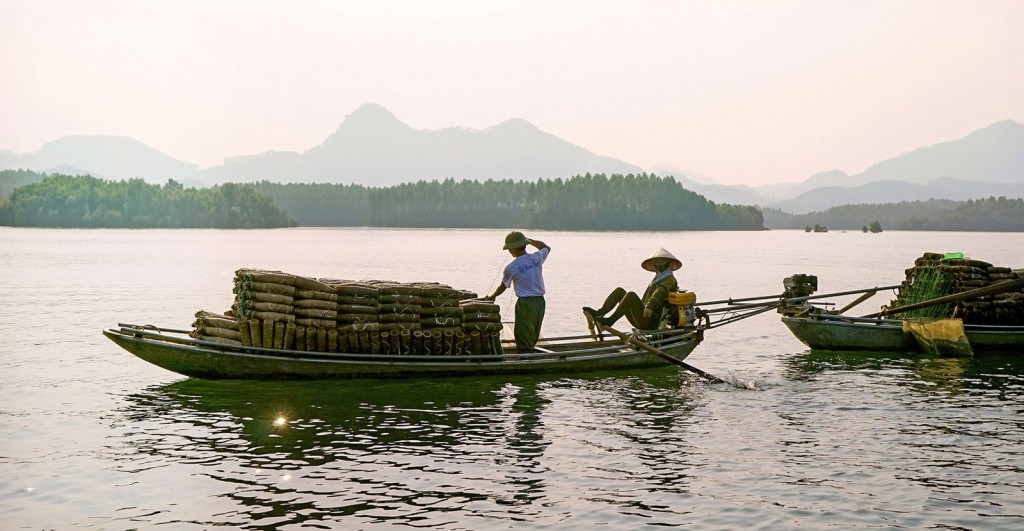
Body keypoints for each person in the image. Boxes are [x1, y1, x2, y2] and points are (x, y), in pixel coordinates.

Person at [583, 247, 682, 332]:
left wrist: (650, 305)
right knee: (619, 291)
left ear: (668, 263)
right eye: (656, 262)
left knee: (631, 296)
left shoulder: (669, 279)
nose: (658, 264)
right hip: (643, 316)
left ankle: (610, 321)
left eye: (662, 262)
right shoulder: (658, 278)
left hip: (652, 321)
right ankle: (599, 313)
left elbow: (661, 291)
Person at [483, 231, 551, 353]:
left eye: (509, 249)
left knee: (524, 332)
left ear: (513, 249)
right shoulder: (537, 257)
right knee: (534, 331)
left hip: (526, 303)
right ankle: (529, 354)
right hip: (540, 302)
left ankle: (525, 357)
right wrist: (530, 240)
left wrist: (493, 296)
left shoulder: (511, 267)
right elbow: (546, 247)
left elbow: (503, 286)